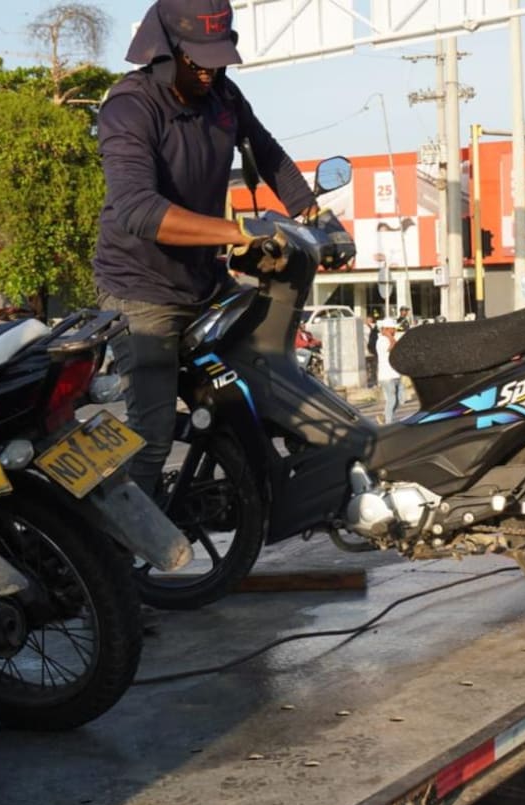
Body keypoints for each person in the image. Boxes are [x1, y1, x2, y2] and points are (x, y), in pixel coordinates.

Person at [92, 0, 322, 495]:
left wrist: (310, 213)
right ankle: (116, 559)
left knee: (266, 385)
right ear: (165, 50)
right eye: (198, 61)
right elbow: (139, 211)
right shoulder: (129, 107)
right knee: (151, 439)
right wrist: (240, 233)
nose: (209, 72)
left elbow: (267, 151)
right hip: (141, 292)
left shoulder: (223, 96)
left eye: (218, 60)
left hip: (204, 281)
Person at [376, 318, 403, 424]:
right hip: (386, 376)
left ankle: (384, 416)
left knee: (400, 400)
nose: (394, 331)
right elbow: (391, 348)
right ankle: (388, 422)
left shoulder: (391, 338)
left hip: (395, 374)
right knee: (391, 400)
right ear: (386, 329)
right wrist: (389, 336)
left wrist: (390, 336)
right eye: (392, 329)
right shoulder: (381, 340)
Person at [365, 315, 379, 387]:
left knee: (374, 366)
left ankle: (374, 381)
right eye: (368, 320)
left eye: (371, 320)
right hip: (365, 350)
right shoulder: (363, 328)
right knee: (367, 367)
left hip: (373, 349)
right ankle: (368, 382)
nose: (369, 321)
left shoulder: (374, 327)